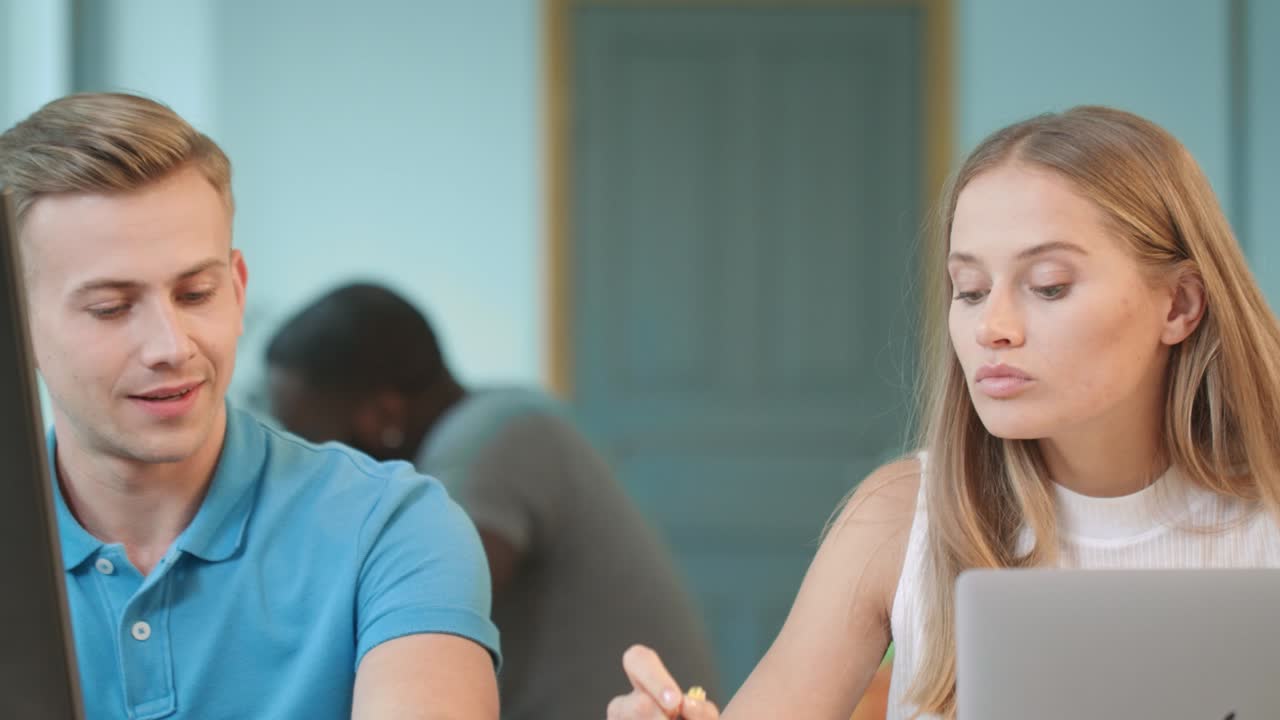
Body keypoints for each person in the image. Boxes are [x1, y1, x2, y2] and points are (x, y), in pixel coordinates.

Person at [605, 105, 1280, 720]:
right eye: (971, 289)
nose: (994, 326)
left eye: (1049, 286)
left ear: (1180, 306)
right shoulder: (898, 517)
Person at [0, 93, 500, 719]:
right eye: (112, 307)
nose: (170, 346)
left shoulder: (390, 529)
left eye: (195, 293)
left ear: (237, 291)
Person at [264, 282, 721, 720]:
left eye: (307, 440)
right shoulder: (503, 416)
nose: (302, 469)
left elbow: (418, 597)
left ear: (384, 414)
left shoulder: (489, 443)